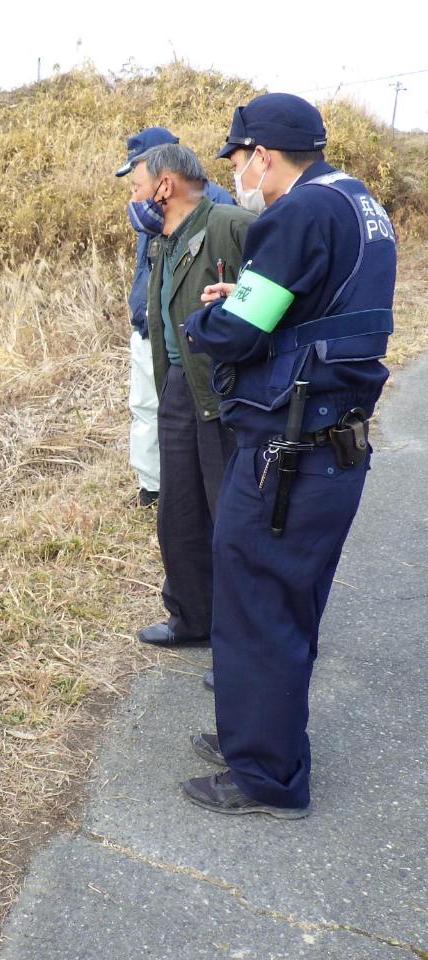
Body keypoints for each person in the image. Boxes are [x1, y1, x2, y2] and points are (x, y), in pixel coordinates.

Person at [182, 93, 396, 818]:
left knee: (256, 605)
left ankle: (265, 776)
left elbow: (240, 331)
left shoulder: (297, 212)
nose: (239, 174)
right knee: (288, 602)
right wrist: (243, 299)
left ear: (262, 156)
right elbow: (302, 305)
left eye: (238, 159)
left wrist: (206, 317)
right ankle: (256, 735)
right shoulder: (355, 199)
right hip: (332, 442)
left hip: (292, 452)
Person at [130, 144, 254, 650]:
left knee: (229, 518)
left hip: (223, 392)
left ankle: (240, 641)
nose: (134, 196)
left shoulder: (231, 224)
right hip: (179, 388)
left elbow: (278, 299)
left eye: (138, 184)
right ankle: (191, 618)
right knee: (178, 513)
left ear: (166, 185)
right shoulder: (166, 238)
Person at [118, 128, 234, 507]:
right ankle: (156, 487)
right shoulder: (155, 213)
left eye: (137, 182)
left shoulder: (216, 212)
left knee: (196, 433)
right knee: (150, 411)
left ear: (163, 178)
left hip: (194, 346)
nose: (133, 195)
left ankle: (175, 492)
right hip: (154, 332)